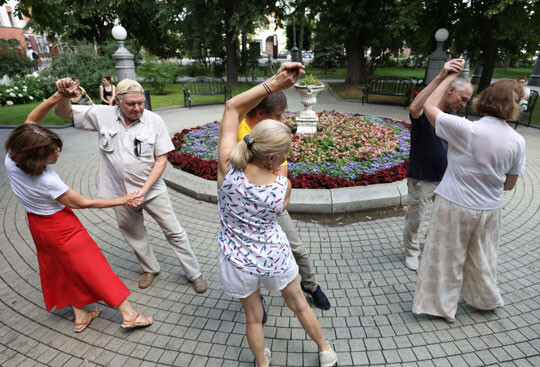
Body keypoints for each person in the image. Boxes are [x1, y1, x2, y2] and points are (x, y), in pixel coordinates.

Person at [217, 62, 338, 367]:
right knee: (299, 304)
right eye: (285, 152)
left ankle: (261, 362)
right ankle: (325, 350)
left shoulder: (226, 172)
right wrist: (280, 166)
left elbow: (232, 108)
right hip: (274, 255)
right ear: (273, 157)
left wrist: (274, 83)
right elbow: (281, 204)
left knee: (253, 318)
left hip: (237, 259)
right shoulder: (280, 185)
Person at [4, 89, 153, 333]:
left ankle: (81, 313)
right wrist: (122, 199)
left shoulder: (13, 158)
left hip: (37, 226)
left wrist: (57, 96)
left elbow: (30, 122)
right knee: (95, 269)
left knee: (63, 269)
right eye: (52, 153)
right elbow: (83, 203)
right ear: (36, 157)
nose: (58, 153)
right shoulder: (47, 181)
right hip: (61, 227)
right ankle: (129, 315)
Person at [54, 78, 207, 293]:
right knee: (133, 232)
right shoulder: (102, 115)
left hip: (151, 191)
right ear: (117, 101)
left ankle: (194, 273)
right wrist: (62, 96)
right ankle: (149, 268)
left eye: (141, 103)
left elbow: (161, 160)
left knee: (174, 231)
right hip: (119, 193)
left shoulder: (154, 121)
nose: (137, 108)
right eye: (131, 104)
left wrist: (143, 192)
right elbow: (64, 113)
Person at [412, 59, 526, 323]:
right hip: (489, 209)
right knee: (483, 256)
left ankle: (442, 308)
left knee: (446, 257)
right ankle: (486, 299)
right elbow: (510, 185)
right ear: (511, 106)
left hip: (454, 204)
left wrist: (449, 77)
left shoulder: (467, 129)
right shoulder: (518, 142)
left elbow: (428, 107)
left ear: (486, 99)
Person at [236, 92, 330, 310]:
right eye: (278, 116)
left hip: (272, 206)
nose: (282, 121)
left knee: (297, 249)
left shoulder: (272, 133)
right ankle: (254, 300)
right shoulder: (240, 132)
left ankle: (311, 285)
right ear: (260, 114)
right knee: (249, 258)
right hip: (245, 211)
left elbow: (282, 175)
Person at [403, 59, 473, 271]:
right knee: (415, 218)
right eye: (462, 99)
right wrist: (442, 76)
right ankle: (411, 250)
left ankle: (431, 246)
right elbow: (415, 107)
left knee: (440, 219)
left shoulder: (449, 117)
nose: (463, 104)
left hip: (446, 179)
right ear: (450, 90)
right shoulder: (426, 113)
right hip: (423, 177)